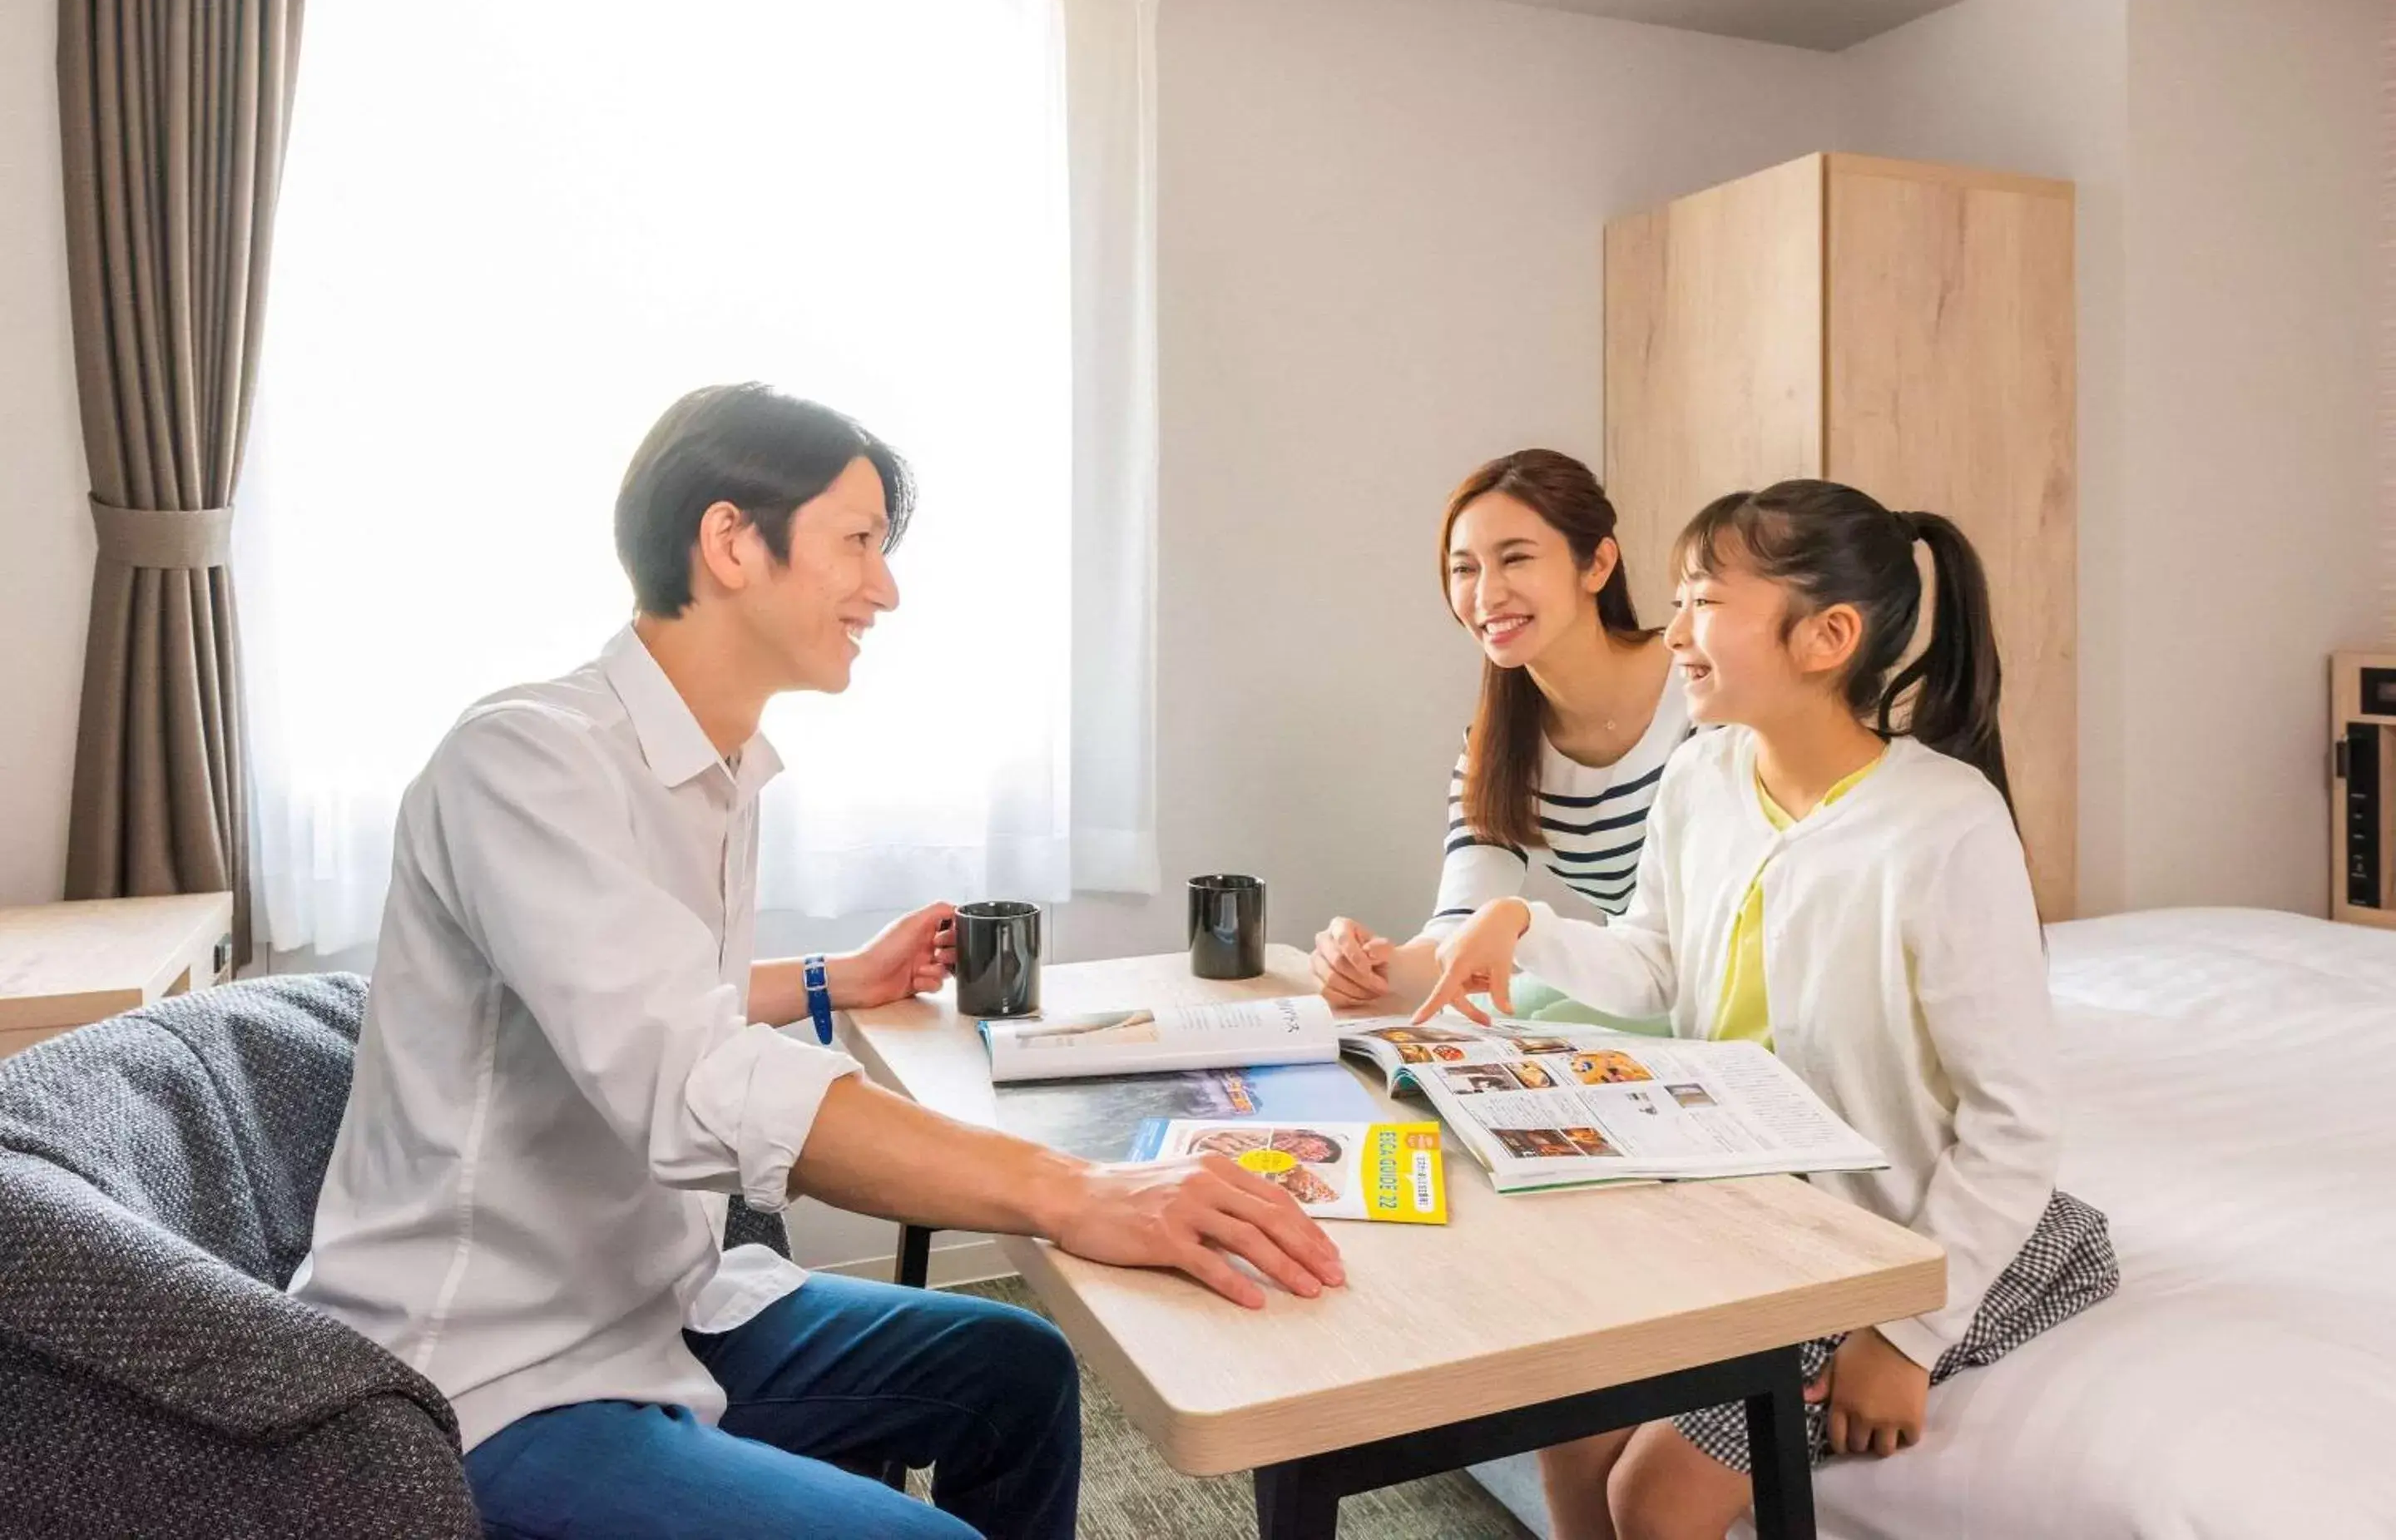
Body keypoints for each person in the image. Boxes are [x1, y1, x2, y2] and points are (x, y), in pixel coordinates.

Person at [292, 384, 1344, 1540]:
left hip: (662, 1307)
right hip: (490, 1375)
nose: (884, 588)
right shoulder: (525, 763)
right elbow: (687, 1077)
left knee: (1018, 1370)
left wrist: (830, 980)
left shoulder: (722, 770)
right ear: (732, 540)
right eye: (858, 544)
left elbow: (639, 991)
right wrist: (1076, 1193)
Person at [1410, 480, 2117, 1540]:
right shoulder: (1701, 777)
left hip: (1874, 1243)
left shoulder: (1944, 830)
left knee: (1655, 1498)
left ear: (1826, 637)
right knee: (1571, 1431)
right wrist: (1524, 924)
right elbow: (1656, 964)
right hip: (1739, 1218)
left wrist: (1907, 1334)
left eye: (1704, 605)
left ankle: (2037, 1259)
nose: (1675, 635)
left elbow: (2014, 1119)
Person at [1310, 450, 1691, 1013]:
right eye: (1465, 568)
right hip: (1641, 994)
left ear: (1598, 564)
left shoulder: (1703, 688)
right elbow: (1457, 935)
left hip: (1730, 1004)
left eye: (1515, 559)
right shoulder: (1497, 751)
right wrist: (1362, 967)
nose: (1486, 596)